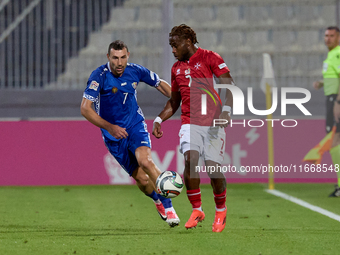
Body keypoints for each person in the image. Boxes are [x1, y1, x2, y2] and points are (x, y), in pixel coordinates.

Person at [80, 40, 180, 226]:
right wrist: (110, 127)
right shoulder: (98, 76)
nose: (119, 62)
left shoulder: (136, 70)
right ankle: (157, 200)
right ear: (108, 57)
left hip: (135, 125)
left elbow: (160, 84)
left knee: (146, 162)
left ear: (128, 56)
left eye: (123, 57)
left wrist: (179, 97)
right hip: (113, 136)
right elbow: (85, 109)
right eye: (115, 58)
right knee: (141, 179)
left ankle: (169, 207)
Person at [152, 24, 234, 232]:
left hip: (213, 122)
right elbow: (174, 102)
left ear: (188, 42)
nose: (172, 50)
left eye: (175, 45)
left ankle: (221, 210)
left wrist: (226, 111)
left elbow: (229, 85)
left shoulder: (209, 57)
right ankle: (197, 209)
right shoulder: (176, 69)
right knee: (191, 159)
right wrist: (159, 119)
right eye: (170, 46)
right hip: (190, 121)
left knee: (213, 167)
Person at [313, 26, 340, 197]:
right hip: (331, 98)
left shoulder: (337, 54)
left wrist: (338, 101)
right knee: (334, 141)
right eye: (326, 35)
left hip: (335, 100)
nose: (327, 38)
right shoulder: (332, 55)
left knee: (334, 141)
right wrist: (322, 83)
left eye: (331, 36)